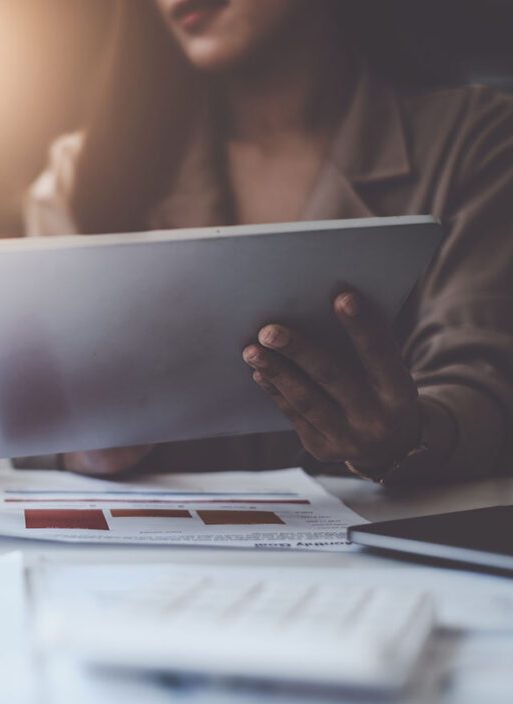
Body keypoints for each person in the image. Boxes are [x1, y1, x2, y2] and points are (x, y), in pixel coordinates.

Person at [25, 0, 513, 485]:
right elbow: (22, 417)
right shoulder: (86, 175)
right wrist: (75, 450)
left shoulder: (474, 143)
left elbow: (487, 383)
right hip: (144, 556)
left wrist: (411, 435)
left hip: (398, 552)